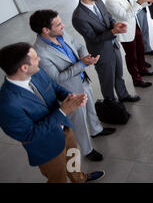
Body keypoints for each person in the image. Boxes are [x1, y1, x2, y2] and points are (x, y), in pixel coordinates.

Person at [0, 42, 105, 183]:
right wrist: (62, 112)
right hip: (47, 148)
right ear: (24, 68)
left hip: (65, 130)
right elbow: (29, 135)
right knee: (58, 178)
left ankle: (80, 179)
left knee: (73, 159)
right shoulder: (7, 103)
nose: (40, 59)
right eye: (36, 58)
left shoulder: (37, 72)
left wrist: (71, 96)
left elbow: (55, 87)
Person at [30, 10, 116, 162]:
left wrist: (86, 56)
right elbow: (57, 78)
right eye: (58, 24)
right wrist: (82, 63)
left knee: (90, 107)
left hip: (83, 80)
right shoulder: (40, 53)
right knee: (80, 121)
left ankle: (96, 129)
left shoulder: (60, 34)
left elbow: (78, 45)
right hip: (70, 91)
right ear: (45, 30)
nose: (63, 25)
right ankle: (87, 150)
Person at [72, 0, 141, 103]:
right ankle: (111, 103)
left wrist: (115, 24)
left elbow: (108, 18)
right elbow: (93, 38)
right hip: (101, 51)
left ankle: (123, 95)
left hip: (113, 44)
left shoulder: (98, 1)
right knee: (107, 79)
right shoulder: (78, 17)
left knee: (119, 74)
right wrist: (113, 31)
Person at [105, 0, 153, 88]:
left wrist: (148, 0)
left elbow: (135, 4)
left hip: (135, 26)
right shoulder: (110, 0)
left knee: (140, 50)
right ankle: (137, 79)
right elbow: (125, 16)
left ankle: (143, 70)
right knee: (131, 56)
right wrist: (140, 2)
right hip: (125, 30)